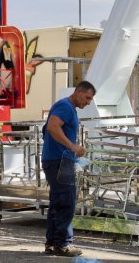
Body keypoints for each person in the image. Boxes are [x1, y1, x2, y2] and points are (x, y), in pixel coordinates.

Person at [42, 81, 96, 257]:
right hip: (59, 161)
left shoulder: (65, 106)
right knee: (67, 201)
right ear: (78, 92)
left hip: (55, 160)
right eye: (87, 97)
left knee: (57, 202)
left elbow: (48, 128)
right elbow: (52, 126)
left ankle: (52, 243)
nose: (88, 102)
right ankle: (63, 244)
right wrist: (72, 147)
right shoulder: (65, 106)